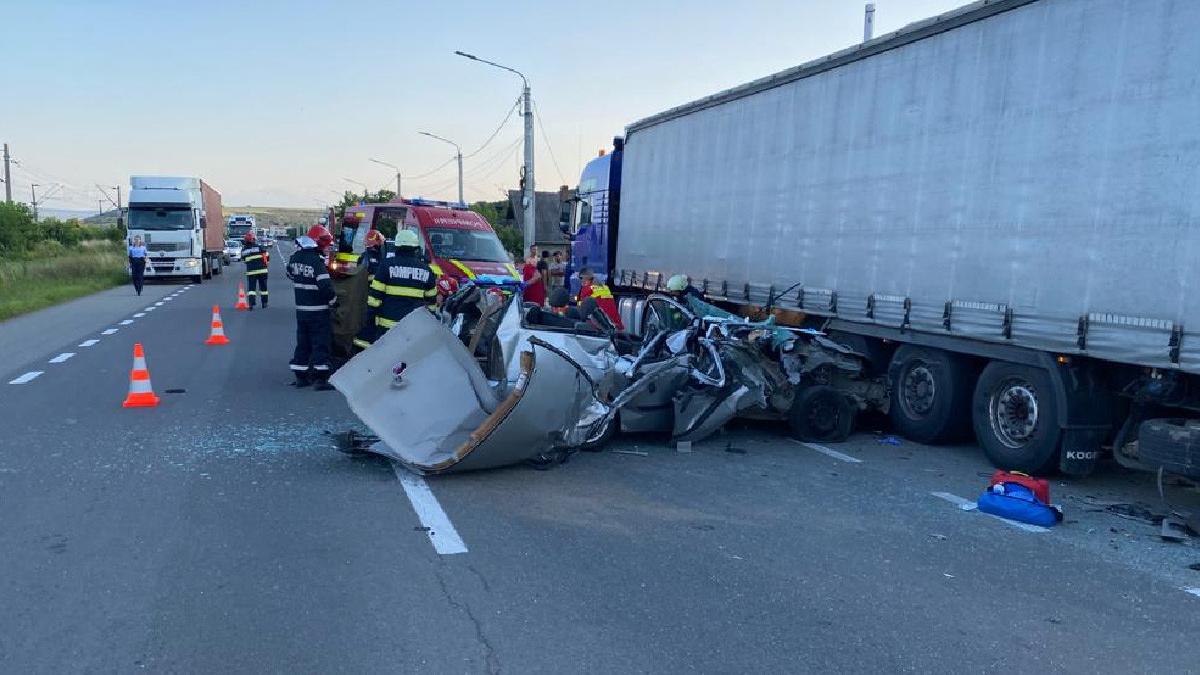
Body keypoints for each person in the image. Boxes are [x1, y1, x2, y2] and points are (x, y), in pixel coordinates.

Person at [360, 229, 436, 348]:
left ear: (396, 247)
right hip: (412, 328)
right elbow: (431, 303)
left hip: (387, 327)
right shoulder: (426, 270)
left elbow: (374, 299)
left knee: (385, 360)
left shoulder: (386, 265)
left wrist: (368, 319)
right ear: (415, 248)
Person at [286, 226, 337, 390]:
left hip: (301, 310)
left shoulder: (295, 257)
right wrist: (334, 300)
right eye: (325, 245)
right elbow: (325, 287)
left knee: (303, 343)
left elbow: (290, 274)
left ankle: (301, 377)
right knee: (320, 343)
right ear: (318, 243)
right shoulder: (316, 262)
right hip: (318, 311)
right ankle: (321, 379)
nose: (326, 249)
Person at [240, 231, 269, 309]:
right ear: (254, 239)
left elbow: (244, 260)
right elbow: (267, 256)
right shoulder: (260, 247)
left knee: (251, 289)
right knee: (263, 288)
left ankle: (251, 304)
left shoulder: (244, 250)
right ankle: (264, 303)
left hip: (251, 271)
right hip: (263, 270)